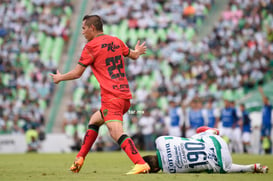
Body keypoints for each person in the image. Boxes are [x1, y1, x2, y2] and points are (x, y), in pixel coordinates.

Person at [50, 15, 150, 174]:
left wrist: (60, 77)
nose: (82, 32)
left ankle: (140, 163)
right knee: (95, 121)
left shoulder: (91, 47)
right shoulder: (116, 40)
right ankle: (80, 158)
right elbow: (134, 55)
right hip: (124, 97)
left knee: (116, 132)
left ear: (92, 28)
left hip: (112, 97)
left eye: (84, 28)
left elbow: (77, 73)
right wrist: (137, 51)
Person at [143, 126, 269, 174]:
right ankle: (212, 131)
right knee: (192, 137)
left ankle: (250, 167)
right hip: (217, 140)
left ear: (155, 169)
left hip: (224, 164)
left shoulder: (169, 172)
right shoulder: (160, 141)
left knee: (211, 166)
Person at [258, 86, 272, 154]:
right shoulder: (263, 107)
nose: (263, 100)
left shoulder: (268, 106)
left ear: (267, 100)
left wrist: (262, 92)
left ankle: (270, 151)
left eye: (265, 100)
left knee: (268, 137)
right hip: (263, 124)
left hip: (268, 124)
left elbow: (266, 102)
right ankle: (261, 151)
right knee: (262, 137)